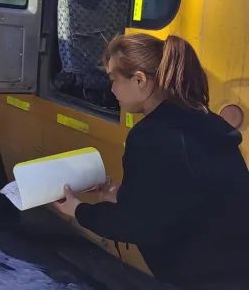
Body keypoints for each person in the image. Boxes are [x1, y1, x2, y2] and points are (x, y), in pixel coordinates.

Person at [53, 34, 249, 289]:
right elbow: (183, 198)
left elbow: (137, 225)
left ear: (139, 80)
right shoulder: (204, 120)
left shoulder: (151, 135)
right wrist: (123, 199)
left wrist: (77, 210)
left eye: (113, 79)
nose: (111, 90)